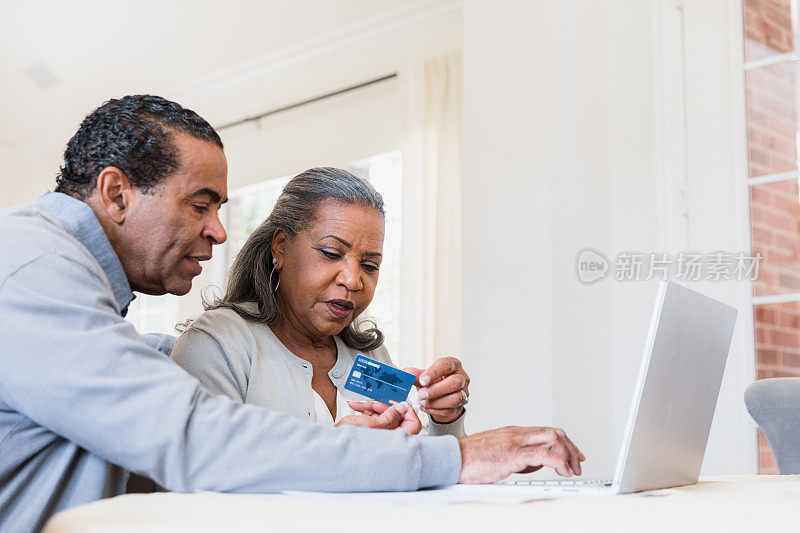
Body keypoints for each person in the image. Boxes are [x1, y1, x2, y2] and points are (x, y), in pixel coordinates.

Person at [0, 95, 584, 533]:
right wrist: (454, 457)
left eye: (372, 263)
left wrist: (437, 421)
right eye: (200, 205)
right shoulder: (30, 267)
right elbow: (194, 439)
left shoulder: (78, 293)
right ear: (117, 192)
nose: (219, 230)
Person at [171, 167, 469, 436]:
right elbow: (205, 474)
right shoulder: (219, 343)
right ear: (281, 246)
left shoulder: (371, 357)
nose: (353, 280)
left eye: (370, 266)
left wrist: (445, 418)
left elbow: (421, 466)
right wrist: (339, 448)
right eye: (330, 253)